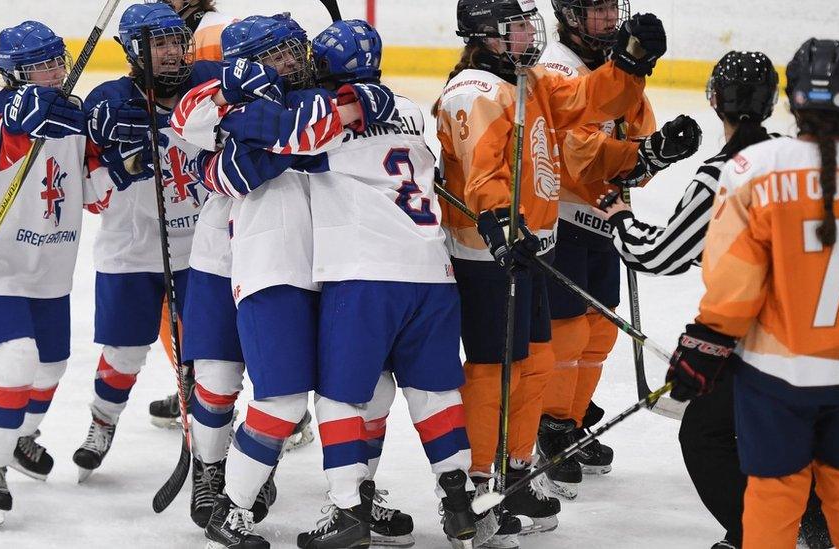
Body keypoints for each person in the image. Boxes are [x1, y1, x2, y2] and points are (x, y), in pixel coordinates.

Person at [435, 0, 665, 534]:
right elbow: (482, 170)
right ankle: (474, 485)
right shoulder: (475, 89)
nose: (527, 34)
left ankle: (514, 477)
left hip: (534, 246)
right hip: (488, 254)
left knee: (535, 365)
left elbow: (587, 97)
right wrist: (501, 225)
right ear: (486, 36)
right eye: (514, 27)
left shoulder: (528, 80)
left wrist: (629, 64)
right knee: (498, 373)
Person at [598, 50, 832, 549]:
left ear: (713, 101)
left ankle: (762, 533)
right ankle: (811, 524)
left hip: (762, 338)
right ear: (773, 103)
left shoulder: (723, 175)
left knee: (704, 435)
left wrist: (619, 216)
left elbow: (659, 254)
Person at [666, 38, 839, 549]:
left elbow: (733, 280)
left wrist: (704, 345)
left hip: (779, 373)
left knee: (774, 493)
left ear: (791, 99)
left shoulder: (754, 167)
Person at [170, 13, 369, 548]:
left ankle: (255, 470)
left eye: (292, 49)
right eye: (275, 54)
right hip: (222, 251)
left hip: (306, 258)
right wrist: (236, 96)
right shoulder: (224, 92)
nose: (291, 61)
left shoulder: (323, 97)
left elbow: (316, 133)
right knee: (217, 375)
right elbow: (189, 121)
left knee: (285, 384)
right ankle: (210, 475)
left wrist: (265, 135)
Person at [298, 19, 479, 549]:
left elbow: (280, 145)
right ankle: (458, 500)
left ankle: (348, 508)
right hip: (432, 273)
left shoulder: (326, 119)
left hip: (365, 276)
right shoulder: (407, 109)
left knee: (340, 397)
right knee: (434, 393)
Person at [534, 0, 701, 499]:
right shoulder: (556, 69)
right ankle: (548, 424)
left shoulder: (621, 72)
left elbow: (635, 154)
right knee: (564, 333)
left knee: (599, 331)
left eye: (612, 8)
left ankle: (571, 418)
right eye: (597, 10)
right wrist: (640, 155)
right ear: (568, 16)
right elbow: (576, 156)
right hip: (559, 218)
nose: (609, 19)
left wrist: (657, 152)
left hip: (604, 220)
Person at [0, 21, 110, 525]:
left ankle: (19, 438)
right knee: (15, 365)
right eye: (43, 65)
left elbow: (97, 195)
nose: (58, 71)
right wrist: (20, 125)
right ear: (16, 74)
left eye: (59, 60)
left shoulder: (73, 118)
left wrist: (118, 157)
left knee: (51, 367)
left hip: (48, 267)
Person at [71, 2, 220, 481]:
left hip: (202, 250)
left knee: (207, 354)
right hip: (130, 250)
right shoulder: (105, 105)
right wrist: (121, 166)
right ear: (135, 51)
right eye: (160, 44)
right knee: (123, 351)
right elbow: (89, 197)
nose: (173, 53)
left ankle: (211, 445)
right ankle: (102, 422)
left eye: (178, 41)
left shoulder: (210, 85)